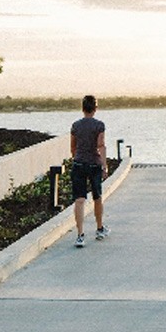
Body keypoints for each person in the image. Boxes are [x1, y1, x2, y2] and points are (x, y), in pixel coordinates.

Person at [70, 95, 109, 248]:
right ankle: (99, 229)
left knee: (79, 200)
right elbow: (101, 145)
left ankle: (80, 235)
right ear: (95, 108)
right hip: (94, 165)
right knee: (97, 197)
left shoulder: (75, 125)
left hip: (79, 164)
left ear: (82, 108)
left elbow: (72, 147)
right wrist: (104, 165)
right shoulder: (99, 125)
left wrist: (77, 158)